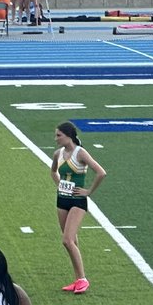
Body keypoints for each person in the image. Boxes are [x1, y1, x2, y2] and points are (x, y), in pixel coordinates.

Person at [51, 121, 107, 294]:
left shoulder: (80, 153)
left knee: (67, 240)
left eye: (59, 135)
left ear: (69, 135)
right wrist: (60, 184)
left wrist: (88, 191)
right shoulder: (57, 154)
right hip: (62, 200)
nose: (56, 139)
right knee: (72, 241)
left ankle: (83, 279)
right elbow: (53, 171)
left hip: (77, 202)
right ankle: (78, 279)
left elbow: (101, 172)